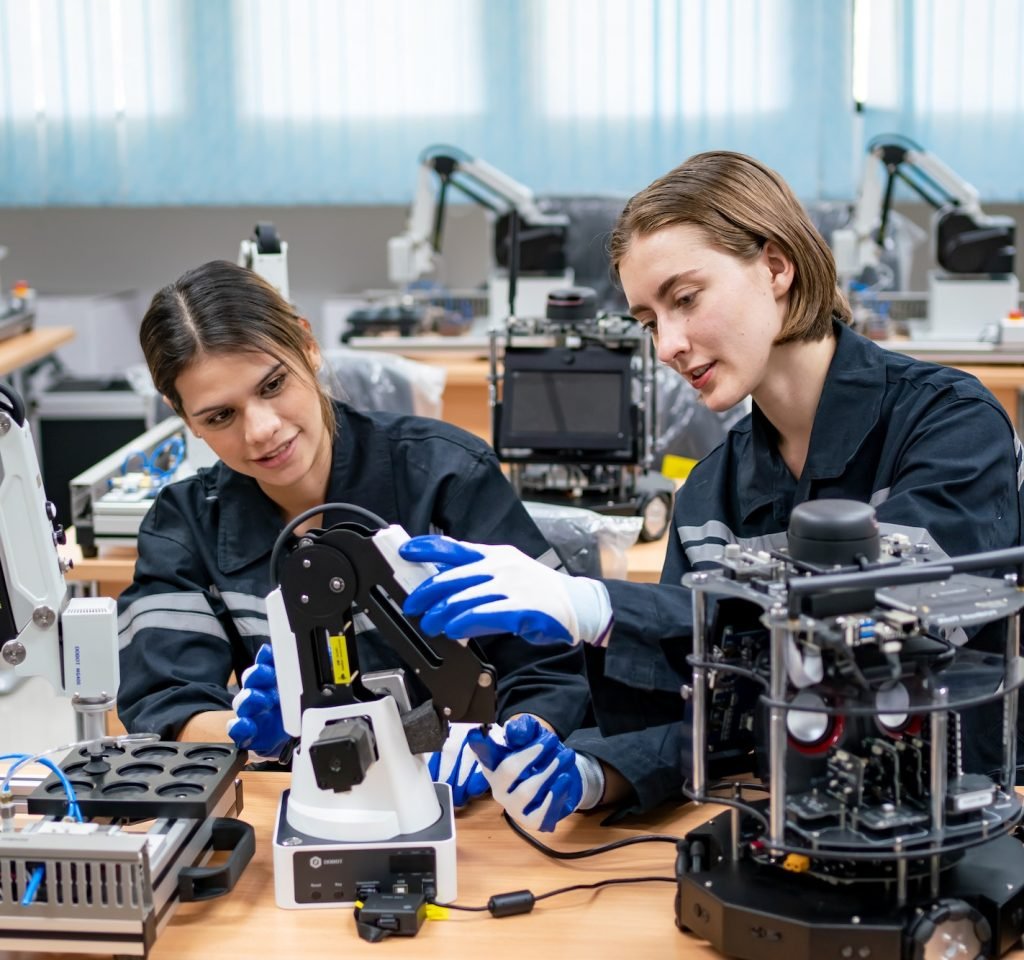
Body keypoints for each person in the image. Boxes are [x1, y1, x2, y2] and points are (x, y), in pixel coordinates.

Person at [398, 150, 1024, 831]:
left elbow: (885, 622)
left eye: (686, 298)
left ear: (776, 267)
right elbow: (706, 707)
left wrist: (598, 605)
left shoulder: (950, 422)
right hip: (795, 821)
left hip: (954, 819)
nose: (666, 344)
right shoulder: (708, 493)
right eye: (647, 321)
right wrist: (595, 776)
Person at [116, 259, 591, 805]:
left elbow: (551, 665)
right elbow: (166, 706)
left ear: (307, 345)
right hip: (318, 804)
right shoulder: (184, 528)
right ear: (187, 420)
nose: (262, 429)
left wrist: (515, 741)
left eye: (273, 384)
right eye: (220, 416)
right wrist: (252, 734)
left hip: (481, 812)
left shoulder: (447, 476)